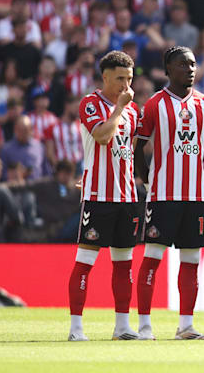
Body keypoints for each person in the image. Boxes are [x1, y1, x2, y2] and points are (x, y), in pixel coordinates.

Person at [133, 46, 204, 340]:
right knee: (153, 258)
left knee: (191, 261)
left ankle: (186, 326)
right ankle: (144, 326)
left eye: (192, 64)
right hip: (163, 195)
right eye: (182, 64)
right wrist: (147, 179)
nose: (189, 69)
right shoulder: (155, 104)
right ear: (168, 69)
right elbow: (138, 147)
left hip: (196, 196)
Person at [66, 51, 140, 341]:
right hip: (98, 196)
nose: (125, 85)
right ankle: (76, 329)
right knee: (85, 261)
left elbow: (128, 150)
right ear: (105, 77)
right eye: (120, 78)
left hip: (127, 197)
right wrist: (119, 108)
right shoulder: (90, 103)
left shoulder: (133, 111)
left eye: (129, 78)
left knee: (124, 265)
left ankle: (122, 327)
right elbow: (102, 137)